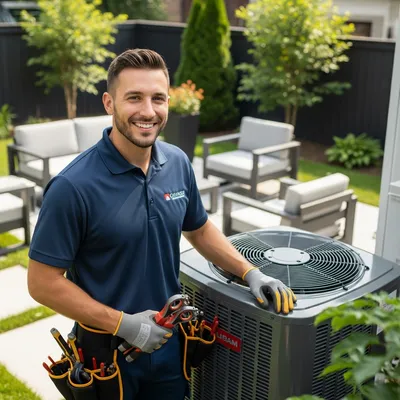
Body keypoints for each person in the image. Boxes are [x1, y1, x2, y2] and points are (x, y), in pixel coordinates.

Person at [27, 48, 296, 399]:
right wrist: (126, 325)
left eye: (158, 98)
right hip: (107, 358)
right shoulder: (72, 188)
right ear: (109, 103)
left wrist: (250, 272)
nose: (148, 111)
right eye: (134, 98)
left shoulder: (178, 163)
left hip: (170, 346)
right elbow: (43, 283)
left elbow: (198, 229)